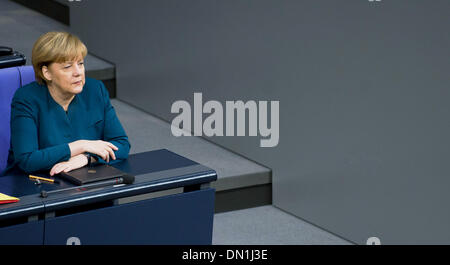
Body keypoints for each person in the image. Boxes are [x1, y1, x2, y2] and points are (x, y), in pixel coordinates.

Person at [1, 31, 130, 177]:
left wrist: (86, 158)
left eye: (80, 64)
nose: (78, 72)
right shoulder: (26, 99)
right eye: (67, 67)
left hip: (86, 177)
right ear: (46, 73)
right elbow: (27, 160)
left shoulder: (95, 90)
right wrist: (81, 145)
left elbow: (121, 144)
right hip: (36, 184)